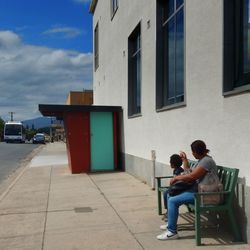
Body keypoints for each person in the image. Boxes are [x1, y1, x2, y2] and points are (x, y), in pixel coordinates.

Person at [157, 140, 217, 240]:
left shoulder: (206, 161)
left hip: (204, 195)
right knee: (170, 194)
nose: (192, 154)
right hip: (198, 191)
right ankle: (170, 224)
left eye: (193, 152)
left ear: (197, 151)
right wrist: (185, 160)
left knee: (172, 200)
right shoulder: (202, 160)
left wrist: (176, 178)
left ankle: (172, 232)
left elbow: (192, 177)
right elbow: (189, 171)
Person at [162, 154, 184, 220]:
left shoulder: (179, 171)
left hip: (179, 188)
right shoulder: (176, 170)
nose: (169, 163)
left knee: (167, 193)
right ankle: (168, 211)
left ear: (174, 164)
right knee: (166, 193)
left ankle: (169, 212)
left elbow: (179, 182)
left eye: (170, 162)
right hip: (175, 187)